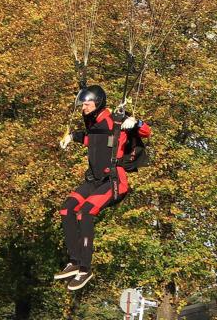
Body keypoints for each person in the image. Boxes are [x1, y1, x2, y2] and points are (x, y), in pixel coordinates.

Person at [54, 84, 151, 290]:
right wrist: (71, 137)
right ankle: (75, 261)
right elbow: (91, 139)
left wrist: (136, 122)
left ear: (97, 103)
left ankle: (85, 269)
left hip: (114, 181)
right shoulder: (94, 124)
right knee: (67, 209)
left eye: (86, 104)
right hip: (94, 181)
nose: (83, 108)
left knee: (86, 212)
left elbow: (146, 131)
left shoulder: (117, 121)